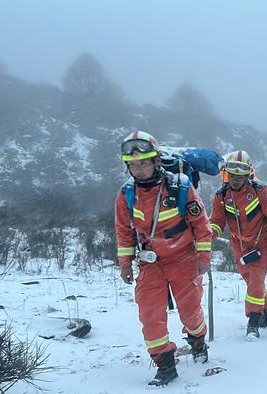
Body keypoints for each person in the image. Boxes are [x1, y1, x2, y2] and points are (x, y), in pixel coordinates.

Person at [114, 131, 212, 387]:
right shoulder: (126, 194)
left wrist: (204, 257)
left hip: (184, 259)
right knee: (150, 315)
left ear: (156, 160)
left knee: (190, 313)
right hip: (151, 262)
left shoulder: (179, 186)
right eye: (133, 164)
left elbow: (201, 225)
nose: (139, 169)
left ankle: (198, 342)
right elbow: (124, 231)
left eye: (144, 162)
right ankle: (165, 365)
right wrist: (125, 262)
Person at [209, 150, 267, 340]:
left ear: (248, 173)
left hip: (262, 243)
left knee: (256, 282)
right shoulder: (221, 195)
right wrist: (207, 235)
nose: (236, 178)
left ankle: (253, 323)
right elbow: (217, 222)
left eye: (240, 174)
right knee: (252, 283)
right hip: (239, 246)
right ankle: (266, 311)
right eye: (232, 173)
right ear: (227, 173)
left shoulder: (260, 190)